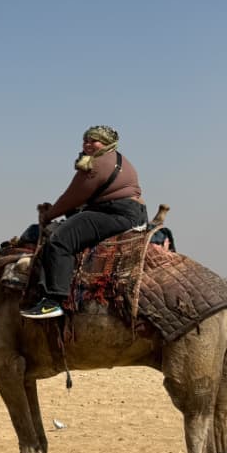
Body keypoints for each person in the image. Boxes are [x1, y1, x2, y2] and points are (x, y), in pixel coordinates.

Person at [22, 125, 147, 320]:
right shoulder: (118, 159)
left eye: (94, 141)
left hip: (116, 214)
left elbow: (72, 197)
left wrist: (48, 215)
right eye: (85, 140)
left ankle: (53, 301)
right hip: (131, 212)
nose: (87, 144)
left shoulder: (96, 164)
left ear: (106, 143)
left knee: (59, 240)